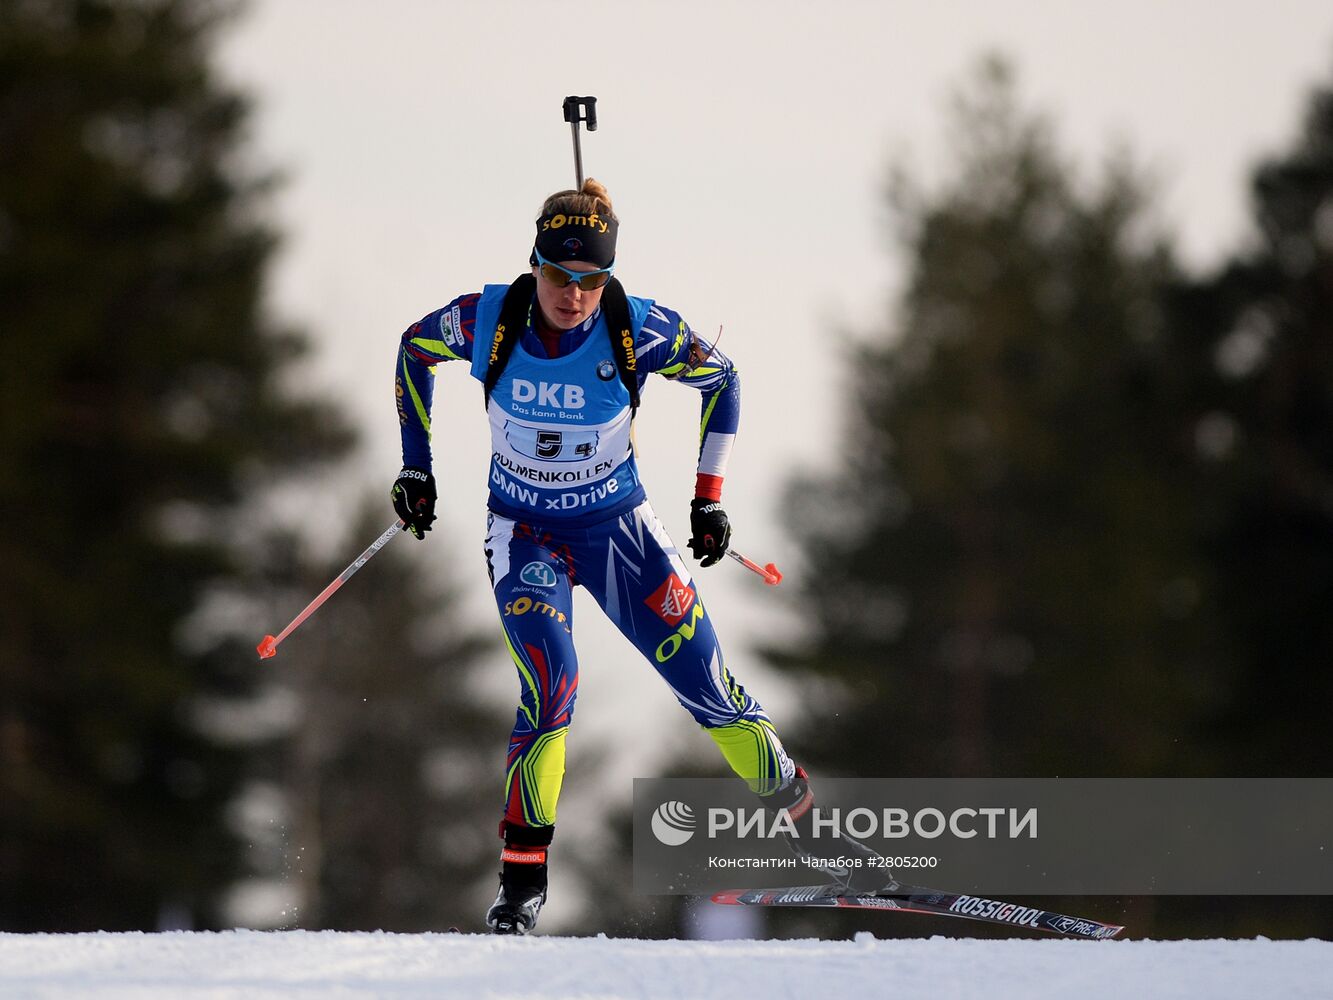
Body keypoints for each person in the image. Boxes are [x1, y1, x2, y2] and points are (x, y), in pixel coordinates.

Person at [390, 179, 875, 935]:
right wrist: (415, 465)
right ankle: (521, 887)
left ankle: (815, 834)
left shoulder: (637, 329)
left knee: (711, 693)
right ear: (534, 263)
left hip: (620, 535)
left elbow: (722, 379)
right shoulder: (487, 317)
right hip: (525, 537)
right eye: (557, 275)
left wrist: (708, 499)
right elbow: (413, 349)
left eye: (591, 281)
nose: (573, 295)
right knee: (552, 686)